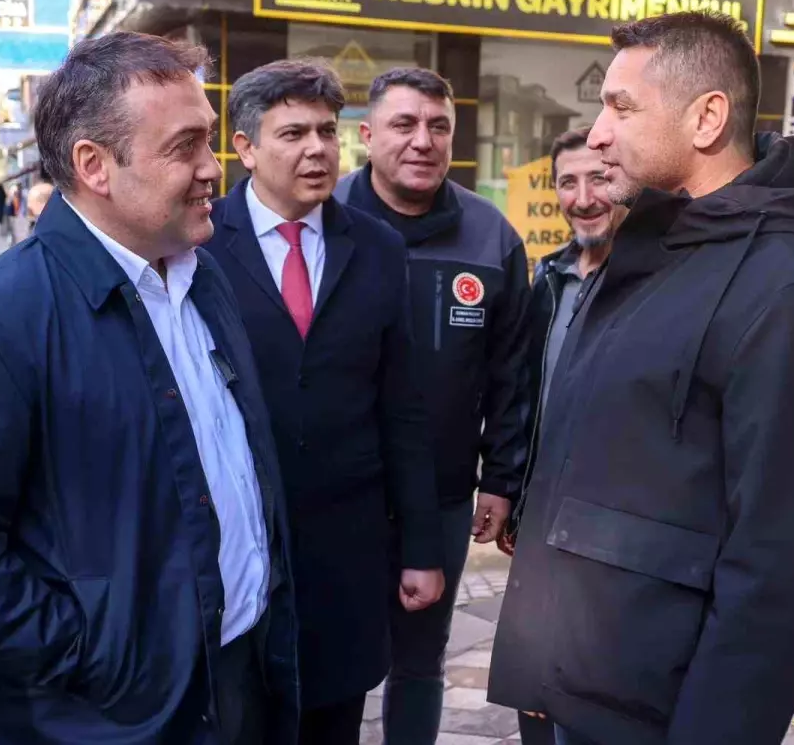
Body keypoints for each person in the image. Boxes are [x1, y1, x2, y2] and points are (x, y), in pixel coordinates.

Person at [0, 31, 299, 744]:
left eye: (209, 139)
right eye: (185, 146)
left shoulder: (204, 278)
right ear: (94, 165)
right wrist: (99, 656)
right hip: (97, 717)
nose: (213, 167)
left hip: (237, 681)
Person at [488, 11, 794, 745]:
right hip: (573, 687)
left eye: (621, 107)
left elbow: (782, 569)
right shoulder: (649, 250)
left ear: (707, 118)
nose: (597, 133)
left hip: (657, 714)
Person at [206, 59, 444, 745]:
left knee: (333, 720)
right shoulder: (199, 243)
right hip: (239, 551)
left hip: (347, 551)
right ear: (246, 148)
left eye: (325, 131)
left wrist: (421, 547)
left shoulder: (377, 246)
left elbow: (402, 405)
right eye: (293, 134)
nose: (316, 149)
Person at [332, 67, 529, 745]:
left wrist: (500, 478)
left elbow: (512, 373)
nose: (423, 140)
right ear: (367, 135)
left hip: (443, 496)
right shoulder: (323, 219)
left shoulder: (492, 237)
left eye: (438, 126)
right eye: (404, 124)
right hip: (335, 495)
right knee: (326, 655)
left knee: (419, 661)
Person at [494, 125, 626, 745]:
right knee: (536, 691)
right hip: (544, 522)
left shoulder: (652, 282)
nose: (583, 197)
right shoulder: (548, 278)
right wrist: (511, 492)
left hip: (613, 535)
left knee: (596, 694)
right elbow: (524, 395)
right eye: (567, 183)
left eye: (598, 179)